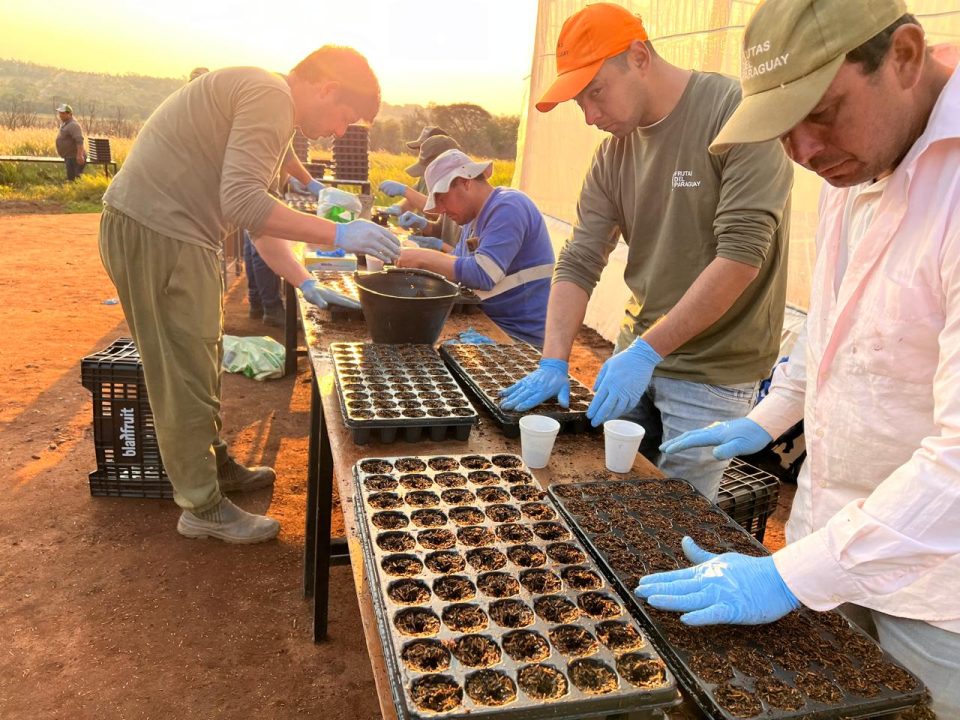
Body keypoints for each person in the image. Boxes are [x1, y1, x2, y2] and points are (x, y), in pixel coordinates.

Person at [636, 2, 960, 715]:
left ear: (904, 55)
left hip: (941, 592)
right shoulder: (857, 163)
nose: (806, 152)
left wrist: (789, 576)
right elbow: (833, 326)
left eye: (824, 112)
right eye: (783, 130)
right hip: (830, 540)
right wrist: (772, 414)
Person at [99, 46, 399, 544]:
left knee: (201, 352)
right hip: (160, 232)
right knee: (181, 370)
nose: (341, 133)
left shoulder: (269, 102)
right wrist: (339, 234)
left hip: (175, 233)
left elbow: (258, 217)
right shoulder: (269, 96)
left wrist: (304, 279)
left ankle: (213, 465)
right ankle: (202, 505)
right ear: (326, 88)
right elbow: (243, 203)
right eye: (345, 118)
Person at [499, 2, 794, 500]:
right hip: (635, 353)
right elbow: (580, 258)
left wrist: (648, 350)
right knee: (606, 490)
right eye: (580, 105)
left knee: (677, 511)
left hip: (712, 370)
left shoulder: (733, 114)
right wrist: (553, 361)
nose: (591, 116)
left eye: (596, 93)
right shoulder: (614, 153)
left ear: (638, 57)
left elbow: (742, 255)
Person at [396, 149, 554, 347]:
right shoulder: (472, 221)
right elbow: (459, 266)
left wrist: (423, 257)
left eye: (443, 199)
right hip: (491, 325)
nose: (442, 210)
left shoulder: (509, 207)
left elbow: (483, 273)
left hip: (520, 337)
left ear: (465, 181)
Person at [382, 134, 462, 250]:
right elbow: (441, 228)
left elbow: (471, 262)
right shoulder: (446, 192)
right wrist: (423, 225)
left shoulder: (473, 209)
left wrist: (439, 245)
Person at [55, 103, 85, 181]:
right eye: (60, 113)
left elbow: (79, 141)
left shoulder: (73, 125)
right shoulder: (65, 124)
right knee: (71, 178)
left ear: (70, 114)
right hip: (69, 157)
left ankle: (77, 191)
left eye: (63, 113)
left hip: (75, 157)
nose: (60, 115)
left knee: (75, 179)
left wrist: (80, 155)